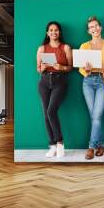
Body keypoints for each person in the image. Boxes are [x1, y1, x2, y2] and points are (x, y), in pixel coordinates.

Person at [79, 16, 104, 160]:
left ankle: (91, 147)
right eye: (91, 27)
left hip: (102, 81)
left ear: (100, 28)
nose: (94, 29)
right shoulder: (84, 46)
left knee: (96, 116)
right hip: (87, 81)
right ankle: (101, 144)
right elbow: (81, 68)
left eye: (96, 26)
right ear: (88, 31)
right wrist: (86, 70)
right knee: (95, 116)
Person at [36, 21, 72, 158]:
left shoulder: (66, 47)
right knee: (46, 114)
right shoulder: (42, 49)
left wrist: (61, 67)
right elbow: (38, 68)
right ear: (47, 33)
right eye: (51, 30)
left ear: (59, 32)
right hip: (44, 82)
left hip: (60, 81)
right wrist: (42, 68)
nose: (53, 32)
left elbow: (70, 67)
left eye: (56, 30)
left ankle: (60, 143)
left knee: (51, 111)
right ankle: (52, 145)